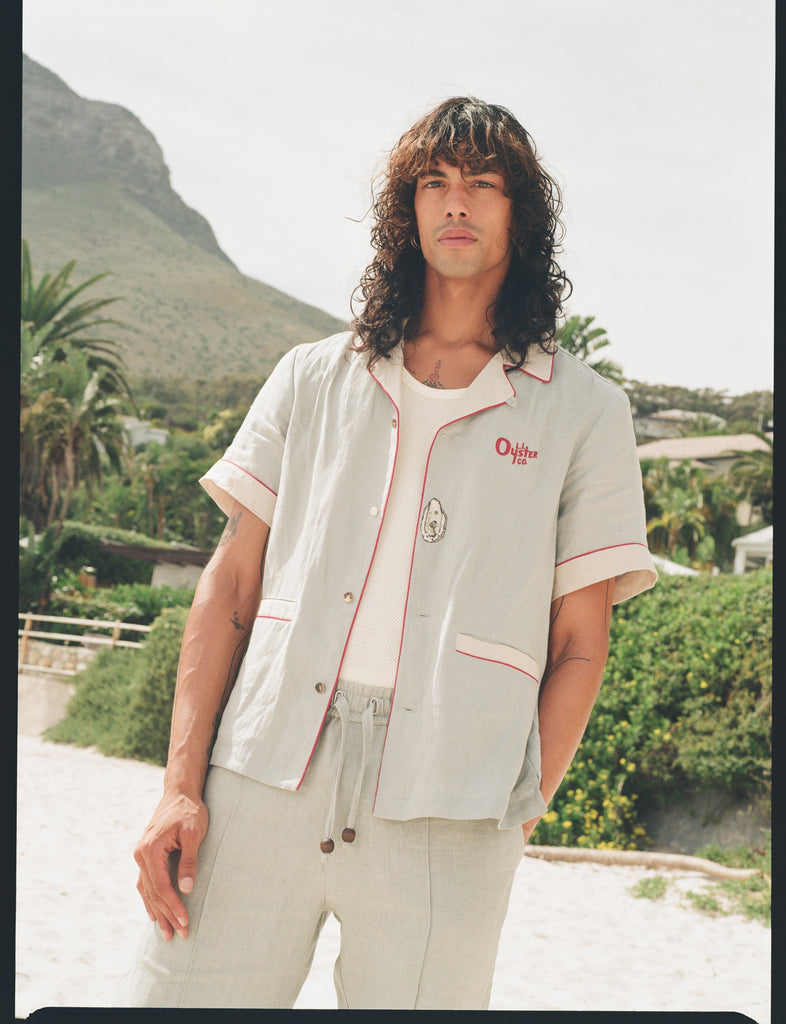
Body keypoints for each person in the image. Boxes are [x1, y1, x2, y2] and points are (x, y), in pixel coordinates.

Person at [124, 96, 656, 1010]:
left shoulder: (586, 413)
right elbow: (228, 589)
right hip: (263, 768)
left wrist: (517, 807)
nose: (457, 203)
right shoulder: (311, 375)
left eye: (483, 185)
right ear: (405, 211)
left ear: (518, 215)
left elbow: (581, 642)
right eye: (435, 182)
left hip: (456, 804)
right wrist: (181, 786)